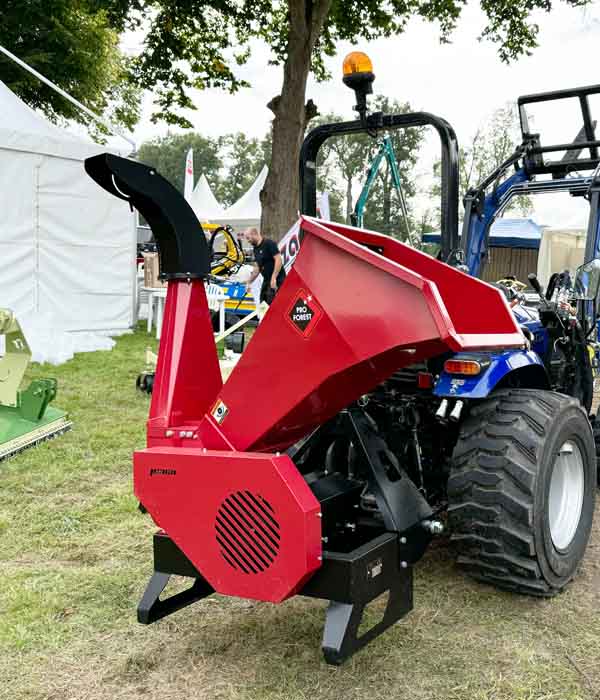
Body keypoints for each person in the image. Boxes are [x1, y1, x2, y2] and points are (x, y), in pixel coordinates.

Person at [245, 227, 286, 304]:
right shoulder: (255, 249)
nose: (248, 241)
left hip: (277, 280)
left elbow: (278, 260)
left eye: (248, 238)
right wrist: (249, 282)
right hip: (266, 281)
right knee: (263, 303)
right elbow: (257, 268)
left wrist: (274, 277)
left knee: (273, 304)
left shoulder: (269, 243)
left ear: (254, 234)